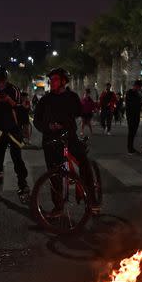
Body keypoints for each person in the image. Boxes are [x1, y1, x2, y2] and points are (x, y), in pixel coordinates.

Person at [33, 68, 97, 214]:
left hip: (69, 137)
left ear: (63, 81)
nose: (52, 82)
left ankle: (92, 198)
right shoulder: (45, 100)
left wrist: (66, 122)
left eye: (55, 79)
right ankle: (58, 206)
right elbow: (37, 120)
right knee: (54, 173)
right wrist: (48, 126)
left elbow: (79, 112)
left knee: (84, 163)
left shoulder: (72, 97)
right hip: (50, 139)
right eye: (51, 80)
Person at [0, 66, 29, 200]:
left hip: (13, 128)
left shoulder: (13, 89)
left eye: (1, 81)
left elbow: (20, 106)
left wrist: (9, 100)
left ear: (5, 78)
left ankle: (23, 184)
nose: (0, 84)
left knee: (16, 158)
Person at [125, 80, 142, 154]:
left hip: (136, 114)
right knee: (131, 131)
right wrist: (140, 103)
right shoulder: (129, 93)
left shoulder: (137, 93)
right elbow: (132, 103)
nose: (140, 89)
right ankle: (130, 148)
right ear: (136, 86)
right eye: (139, 87)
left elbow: (138, 103)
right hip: (131, 115)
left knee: (134, 132)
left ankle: (131, 147)